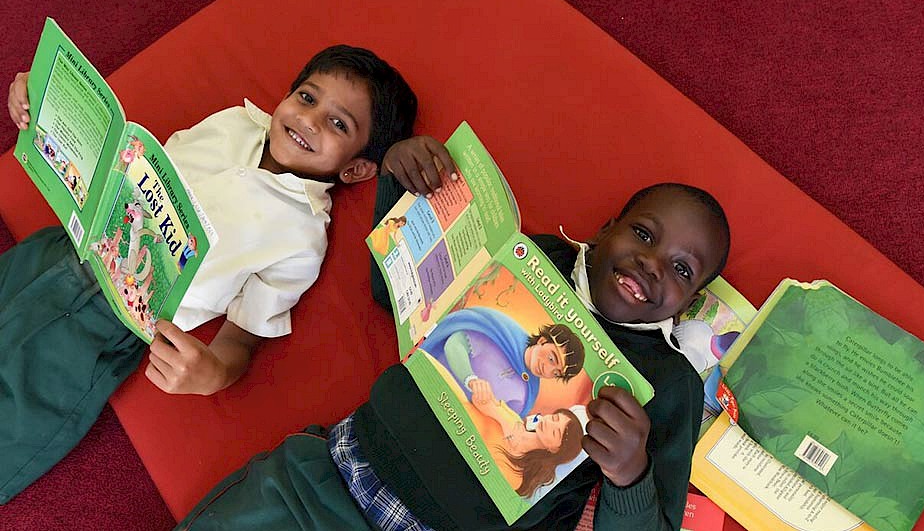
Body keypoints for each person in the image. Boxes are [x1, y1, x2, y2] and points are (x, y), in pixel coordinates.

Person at [176, 135, 731, 531]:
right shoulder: (533, 255)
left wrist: (629, 474)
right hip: (330, 479)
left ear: (691, 302)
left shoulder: (668, 382)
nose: (653, 263)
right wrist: (400, 177)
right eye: (643, 233)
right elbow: (391, 292)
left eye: (683, 269)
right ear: (606, 229)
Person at [0, 45, 417, 504]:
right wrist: (45, 105)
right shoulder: (234, 122)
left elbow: (243, 339)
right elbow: (128, 166)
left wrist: (211, 373)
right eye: (306, 97)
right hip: (62, 245)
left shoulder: (303, 236)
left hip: (105, 329)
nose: (310, 120)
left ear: (356, 168)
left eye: (339, 124)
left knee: (15, 425)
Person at [423, 308, 586, 416]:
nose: (547, 369)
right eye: (552, 358)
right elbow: (454, 344)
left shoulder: (527, 394)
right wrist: (470, 379)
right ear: (542, 341)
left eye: (556, 372)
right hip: (426, 385)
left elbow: (499, 424)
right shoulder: (503, 333)